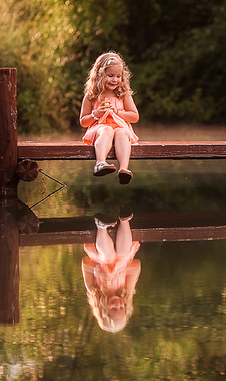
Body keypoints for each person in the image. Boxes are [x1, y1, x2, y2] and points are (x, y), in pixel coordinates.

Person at [79, 51, 140, 184]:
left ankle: (124, 169)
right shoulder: (92, 96)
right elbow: (83, 122)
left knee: (122, 132)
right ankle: (100, 163)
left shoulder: (123, 95)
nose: (115, 80)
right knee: (107, 130)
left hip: (120, 128)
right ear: (99, 75)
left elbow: (135, 117)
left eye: (118, 76)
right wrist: (95, 114)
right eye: (110, 75)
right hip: (100, 128)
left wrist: (118, 112)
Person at [82, 205, 141, 333]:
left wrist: (97, 271)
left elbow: (85, 263)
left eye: (114, 309)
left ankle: (101, 227)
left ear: (102, 310)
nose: (119, 304)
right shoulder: (126, 292)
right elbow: (136, 266)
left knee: (108, 257)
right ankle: (124, 219)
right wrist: (121, 272)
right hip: (122, 258)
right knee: (123, 253)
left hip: (101, 256)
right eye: (122, 308)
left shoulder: (94, 290)